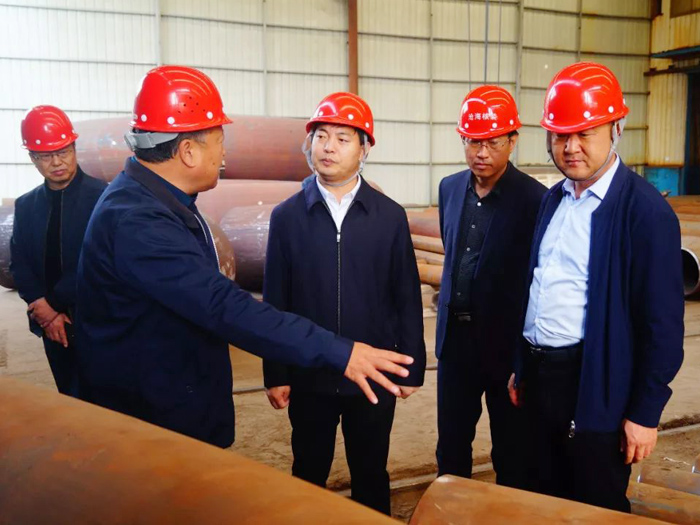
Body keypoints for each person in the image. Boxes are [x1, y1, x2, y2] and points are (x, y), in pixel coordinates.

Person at [75, 66, 414, 449]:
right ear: (188, 151)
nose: (225, 152)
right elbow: (224, 306)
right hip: (150, 426)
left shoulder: (162, 203)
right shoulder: (138, 221)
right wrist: (340, 351)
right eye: (219, 141)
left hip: (169, 406)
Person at [508, 62, 684, 512]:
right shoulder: (554, 200)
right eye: (560, 135)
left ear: (616, 129)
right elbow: (539, 289)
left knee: (594, 504)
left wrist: (644, 413)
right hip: (540, 381)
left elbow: (663, 328)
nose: (570, 148)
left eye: (584, 133)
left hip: (595, 385)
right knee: (541, 498)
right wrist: (522, 367)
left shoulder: (645, 212)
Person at [262, 92, 426, 515]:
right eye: (321, 136)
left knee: (370, 472)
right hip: (309, 373)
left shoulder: (389, 217)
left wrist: (412, 368)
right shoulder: (287, 217)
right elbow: (276, 301)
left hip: (373, 375)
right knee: (308, 471)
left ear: (364, 148)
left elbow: (406, 295)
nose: (328, 147)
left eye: (342, 138)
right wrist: (276, 372)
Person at [435, 86, 545, 487]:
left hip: (504, 346)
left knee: (512, 451)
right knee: (451, 446)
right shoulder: (449, 188)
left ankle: (508, 510)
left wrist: (523, 358)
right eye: (472, 141)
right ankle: (450, 510)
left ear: (513, 141)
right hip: (455, 342)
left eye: (492, 142)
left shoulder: (535, 199)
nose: (481, 152)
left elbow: (534, 278)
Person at [10, 105, 107, 396]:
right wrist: (45, 312)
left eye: (63, 152)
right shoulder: (26, 206)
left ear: (74, 148)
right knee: (69, 398)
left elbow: (99, 261)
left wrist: (52, 303)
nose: (56, 162)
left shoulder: (104, 198)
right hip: (52, 327)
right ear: (32, 158)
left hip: (100, 321)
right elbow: (19, 263)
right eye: (45, 156)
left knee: (108, 403)